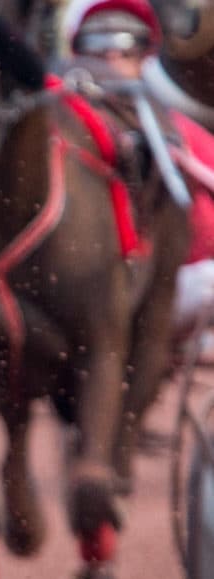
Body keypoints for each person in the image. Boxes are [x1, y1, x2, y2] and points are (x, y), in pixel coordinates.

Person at [65, 0, 214, 353]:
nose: (113, 56)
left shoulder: (180, 133)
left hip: (164, 291)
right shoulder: (53, 137)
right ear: (77, 53)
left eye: (127, 44)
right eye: (98, 46)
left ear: (146, 55)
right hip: (70, 300)